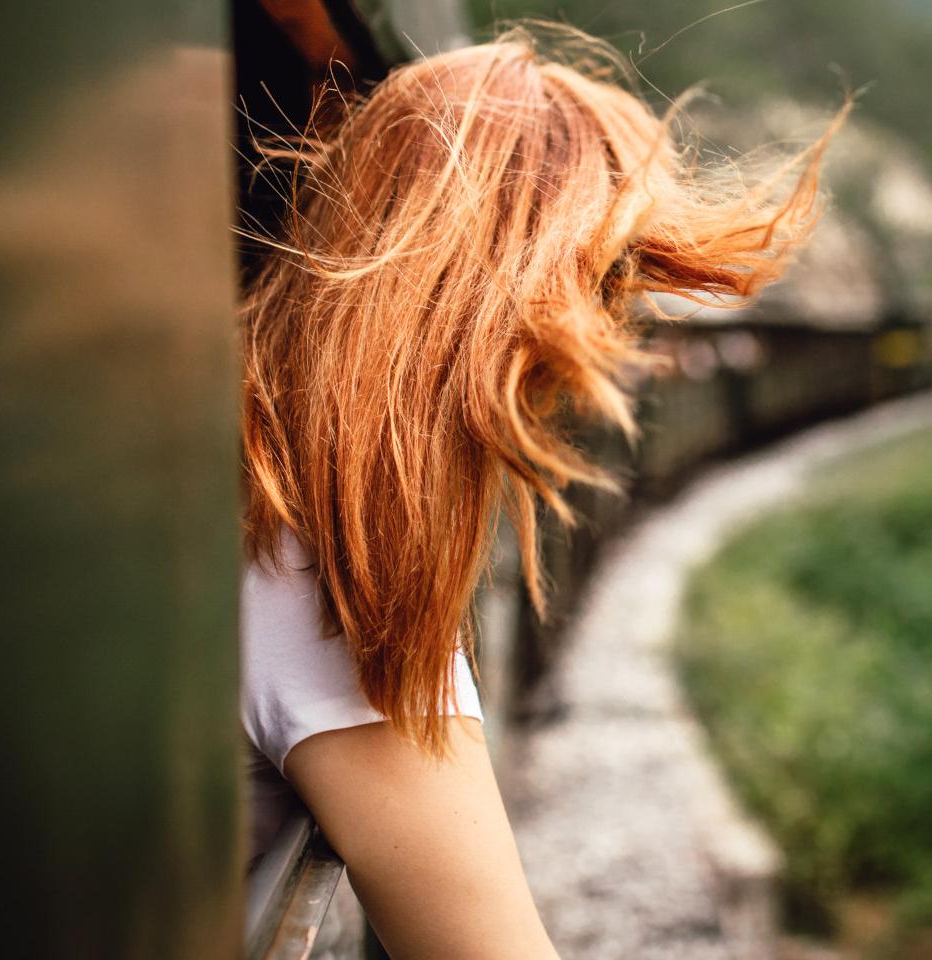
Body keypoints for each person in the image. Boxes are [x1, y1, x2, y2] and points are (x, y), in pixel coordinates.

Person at [236, 25, 839, 958]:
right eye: (604, 280)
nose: (611, 334)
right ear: (505, 299)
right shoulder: (333, 583)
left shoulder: (233, 472)